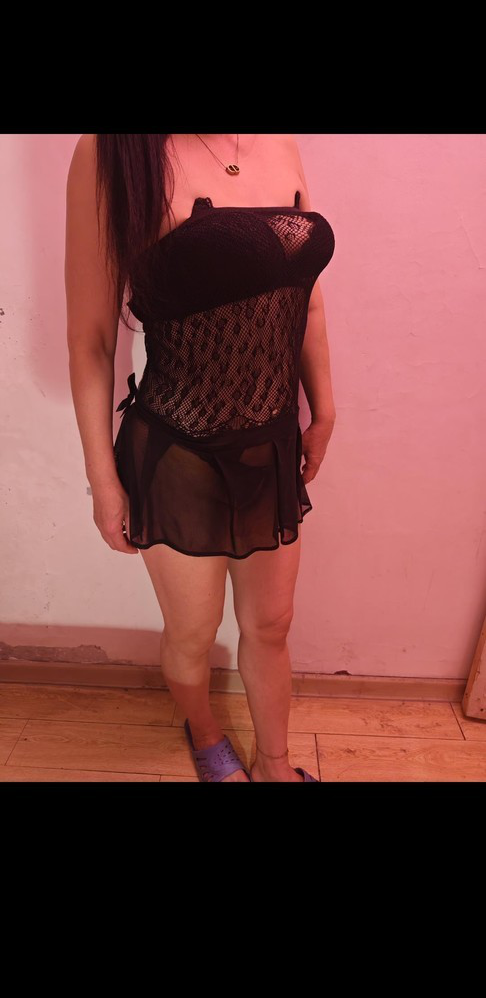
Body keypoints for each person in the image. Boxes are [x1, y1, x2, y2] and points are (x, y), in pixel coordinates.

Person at [65, 133, 336, 782]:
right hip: (178, 450)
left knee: (271, 624)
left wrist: (324, 407)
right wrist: (103, 480)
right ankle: (207, 733)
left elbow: (308, 294)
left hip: (271, 443)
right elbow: (92, 340)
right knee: (193, 634)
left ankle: (275, 763)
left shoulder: (279, 142)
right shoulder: (112, 150)